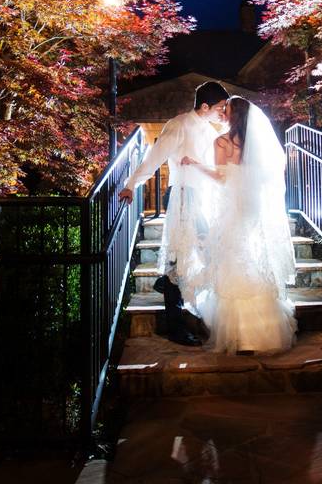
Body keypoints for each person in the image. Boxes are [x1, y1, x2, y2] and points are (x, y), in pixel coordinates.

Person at [181, 96, 297, 354]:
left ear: (234, 115)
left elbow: (221, 178)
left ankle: (242, 336)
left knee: (232, 258)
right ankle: (262, 332)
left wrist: (195, 164)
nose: (223, 112)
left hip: (232, 207)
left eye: (227, 109)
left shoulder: (221, 141)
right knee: (252, 257)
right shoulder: (254, 144)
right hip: (252, 207)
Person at [118, 81, 229, 346]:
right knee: (182, 257)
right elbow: (155, 157)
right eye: (220, 108)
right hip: (182, 196)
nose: (223, 112)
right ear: (205, 106)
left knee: (196, 253)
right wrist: (132, 184)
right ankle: (175, 326)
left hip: (200, 197)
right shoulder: (179, 125)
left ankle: (164, 282)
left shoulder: (209, 127)